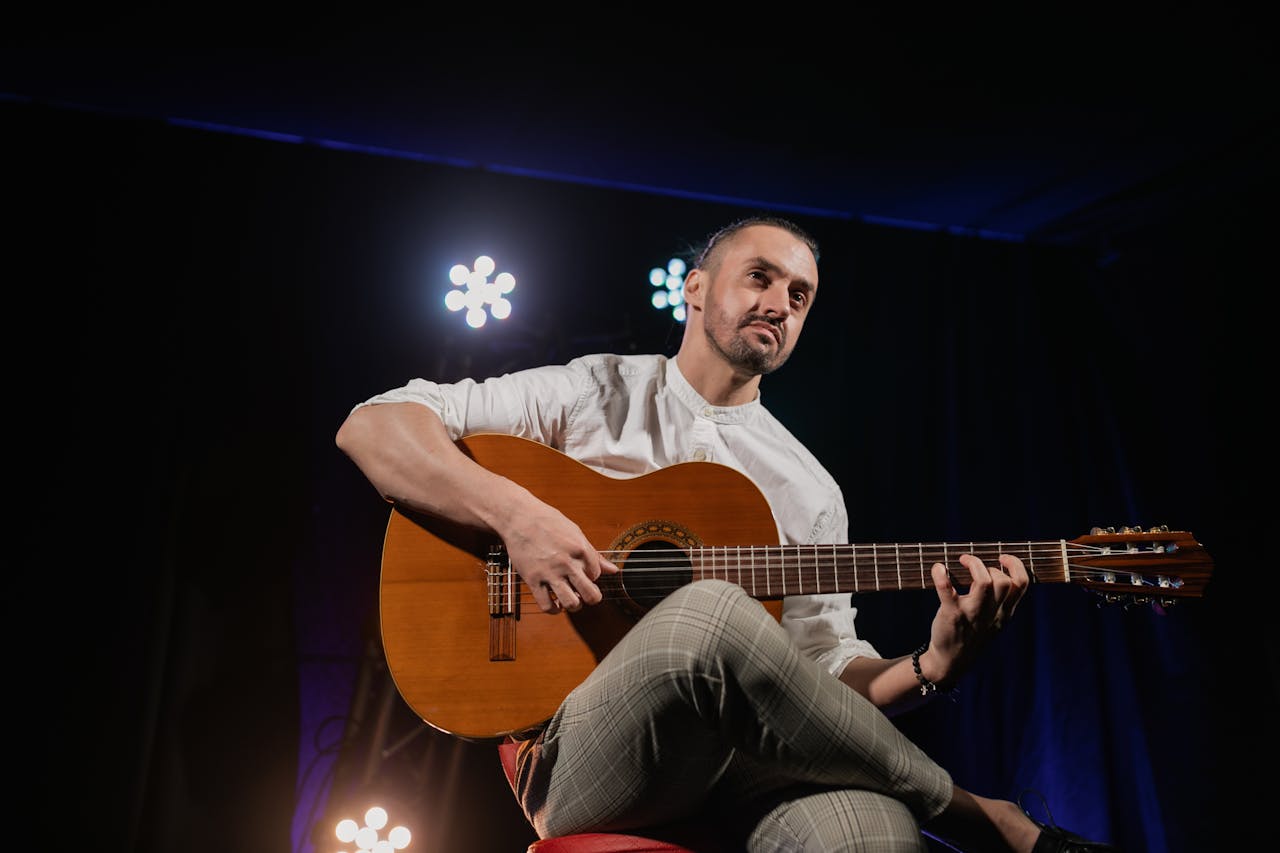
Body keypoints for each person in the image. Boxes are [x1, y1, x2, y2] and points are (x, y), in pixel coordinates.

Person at [335, 216, 1120, 852]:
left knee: (876, 832)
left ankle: (934, 816)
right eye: (761, 277)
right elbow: (372, 427)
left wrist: (931, 663)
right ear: (695, 288)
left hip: (750, 774)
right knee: (708, 609)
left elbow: (818, 672)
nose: (782, 301)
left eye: (802, 294)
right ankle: (981, 819)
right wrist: (520, 517)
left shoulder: (808, 486)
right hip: (586, 756)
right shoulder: (592, 393)